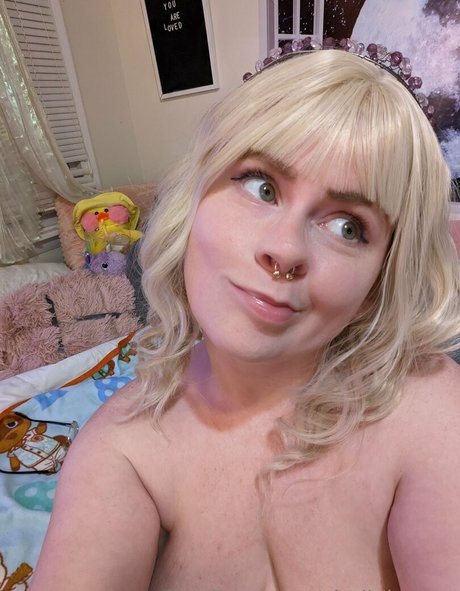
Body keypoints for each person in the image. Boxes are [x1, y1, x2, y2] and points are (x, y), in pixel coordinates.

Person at [30, 40, 460, 591]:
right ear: (195, 198)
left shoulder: (428, 407)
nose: (285, 249)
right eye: (262, 186)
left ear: (381, 277)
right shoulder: (120, 449)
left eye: (348, 227)